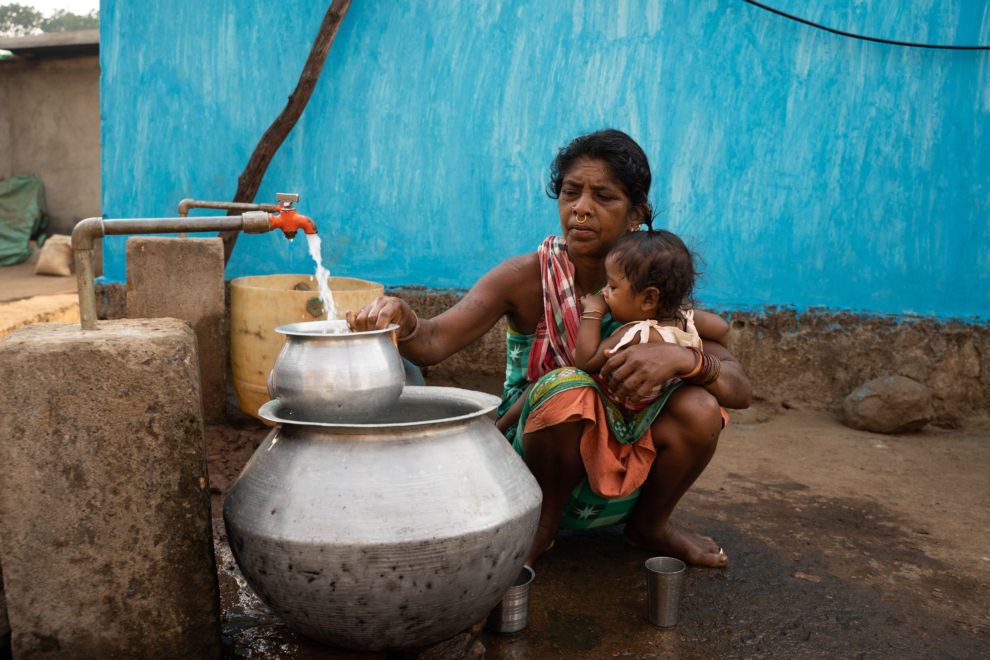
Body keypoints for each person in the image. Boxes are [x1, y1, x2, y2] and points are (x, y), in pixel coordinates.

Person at [347, 129, 752, 568]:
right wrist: (404, 319)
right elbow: (433, 342)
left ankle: (650, 526)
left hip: (628, 465)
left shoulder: (655, 293)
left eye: (603, 196)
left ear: (637, 214)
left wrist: (684, 357)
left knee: (700, 407)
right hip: (533, 463)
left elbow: (738, 388)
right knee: (568, 387)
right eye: (570, 193)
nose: (581, 208)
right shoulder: (526, 277)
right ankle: (541, 528)